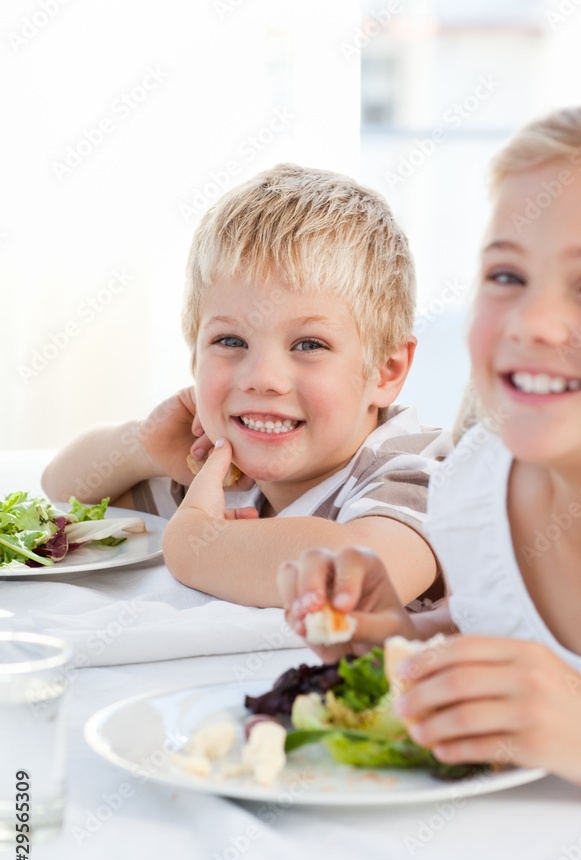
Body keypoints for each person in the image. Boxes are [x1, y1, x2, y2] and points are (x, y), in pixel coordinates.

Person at [278, 94, 581, 852]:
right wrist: (401, 637)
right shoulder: (481, 488)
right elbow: (509, 631)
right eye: (507, 274)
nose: (530, 320)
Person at [41, 165, 450, 608]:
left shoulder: (418, 471)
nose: (261, 378)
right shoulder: (228, 476)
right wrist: (142, 446)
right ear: (194, 357)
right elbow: (64, 489)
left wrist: (196, 542)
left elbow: (355, 578)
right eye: (231, 341)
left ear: (386, 371)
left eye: (309, 345)